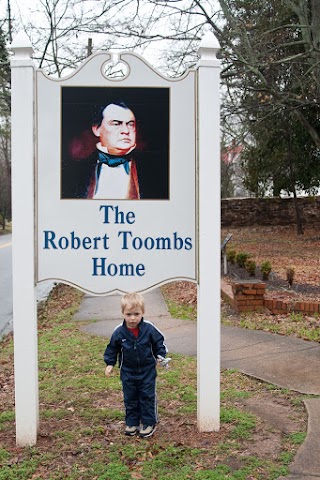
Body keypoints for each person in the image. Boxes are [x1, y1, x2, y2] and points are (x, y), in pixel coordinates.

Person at [103, 292, 168, 438]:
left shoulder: (149, 329)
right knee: (130, 397)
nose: (132, 318)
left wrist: (160, 355)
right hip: (127, 371)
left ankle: (148, 422)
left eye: (136, 314)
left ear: (142, 312)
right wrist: (110, 363)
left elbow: (159, 342)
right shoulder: (119, 332)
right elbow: (112, 348)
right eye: (129, 314)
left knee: (147, 396)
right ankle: (132, 422)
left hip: (147, 371)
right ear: (123, 313)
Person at [87, 101, 140, 199]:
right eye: (116, 124)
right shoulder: (79, 169)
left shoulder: (153, 168)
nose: (125, 131)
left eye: (130, 124)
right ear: (96, 129)